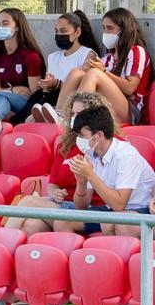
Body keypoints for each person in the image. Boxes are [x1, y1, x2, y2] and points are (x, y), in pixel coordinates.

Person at [7, 91, 112, 235]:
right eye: (73, 114)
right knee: (32, 225)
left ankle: (0, 242)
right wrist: (55, 193)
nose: (75, 118)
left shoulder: (104, 144)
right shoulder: (64, 146)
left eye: (80, 114)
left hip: (93, 209)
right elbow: (53, 183)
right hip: (63, 204)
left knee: (28, 202)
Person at [67, 105, 155, 238]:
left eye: (82, 135)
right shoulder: (91, 154)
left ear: (99, 136)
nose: (79, 140)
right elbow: (81, 207)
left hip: (141, 209)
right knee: (64, 221)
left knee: (121, 223)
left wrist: (90, 174)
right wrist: (82, 182)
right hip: (112, 209)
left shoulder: (126, 155)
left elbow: (120, 204)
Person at [56, 7, 150, 126]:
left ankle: (75, 117)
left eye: (110, 28)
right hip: (106, 106)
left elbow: (130, 88)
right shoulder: (107, 58)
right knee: (77, 73)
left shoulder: (136, 51)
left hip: (131, 111)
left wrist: (104, 72)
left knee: (94, 74)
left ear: (125, 30)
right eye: (104, 28)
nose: (105, 32)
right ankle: (60, 115)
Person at [28, 11, 100, 124]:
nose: (59, 35)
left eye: (63, 31)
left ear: (77, 32)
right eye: (56, 31)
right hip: (50, 98)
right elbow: (47, 89)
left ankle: (60, 116)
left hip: (72, 102)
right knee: (29, 120)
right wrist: (46, 84)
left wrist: (56, 84)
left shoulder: (88, 54)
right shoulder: (53, 57)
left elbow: (83, 88)